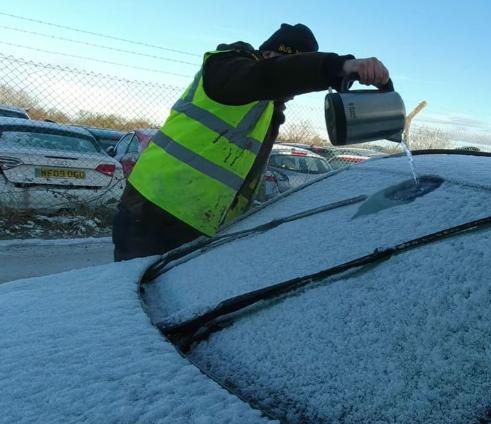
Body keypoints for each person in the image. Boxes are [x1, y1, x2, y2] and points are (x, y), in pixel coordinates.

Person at [113, 23, 389, 261]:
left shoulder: (268, 106)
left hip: (202, 222)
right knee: (136, 309)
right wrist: (338, 66)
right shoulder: (227, 67)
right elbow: (270, 76)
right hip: (154, 209)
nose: (292, 92)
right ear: (269, 54)